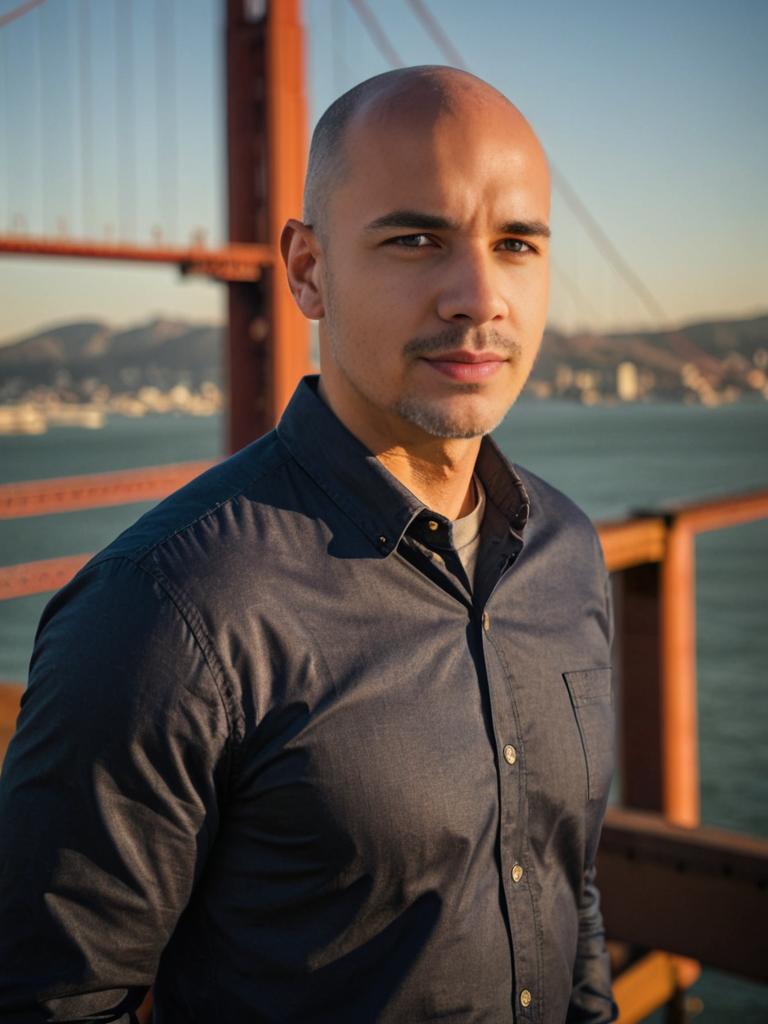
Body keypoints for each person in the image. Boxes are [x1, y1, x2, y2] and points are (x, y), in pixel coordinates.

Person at [0, 67, 617, 1023]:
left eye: (516, 243)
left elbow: (564, 880)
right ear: (307, 270)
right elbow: (54, 1001)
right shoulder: (162, 611)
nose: (478, 297)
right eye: (416, 238)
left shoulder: (566, 553)